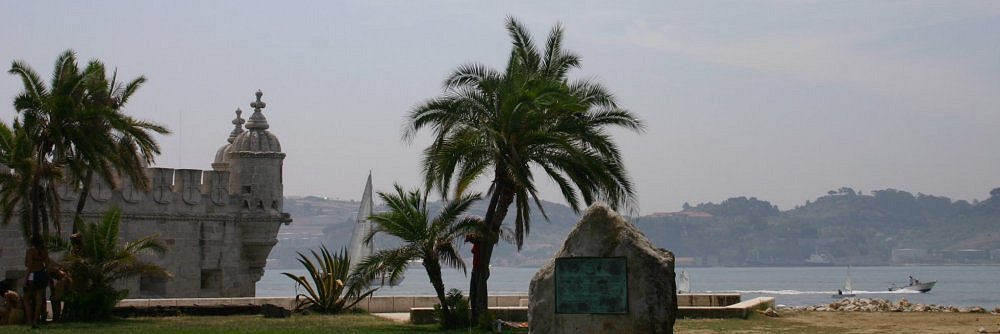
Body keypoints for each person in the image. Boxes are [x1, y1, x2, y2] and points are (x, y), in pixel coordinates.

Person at [24, 235, 49, 328]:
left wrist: (25, 279)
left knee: (26, 298)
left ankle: (29, 320)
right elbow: (47, 264)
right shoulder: (45, 250)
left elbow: (29, 266)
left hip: (33, 275)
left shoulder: (31, 251)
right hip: (42, 274)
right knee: (39, 299)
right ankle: (35, 321)